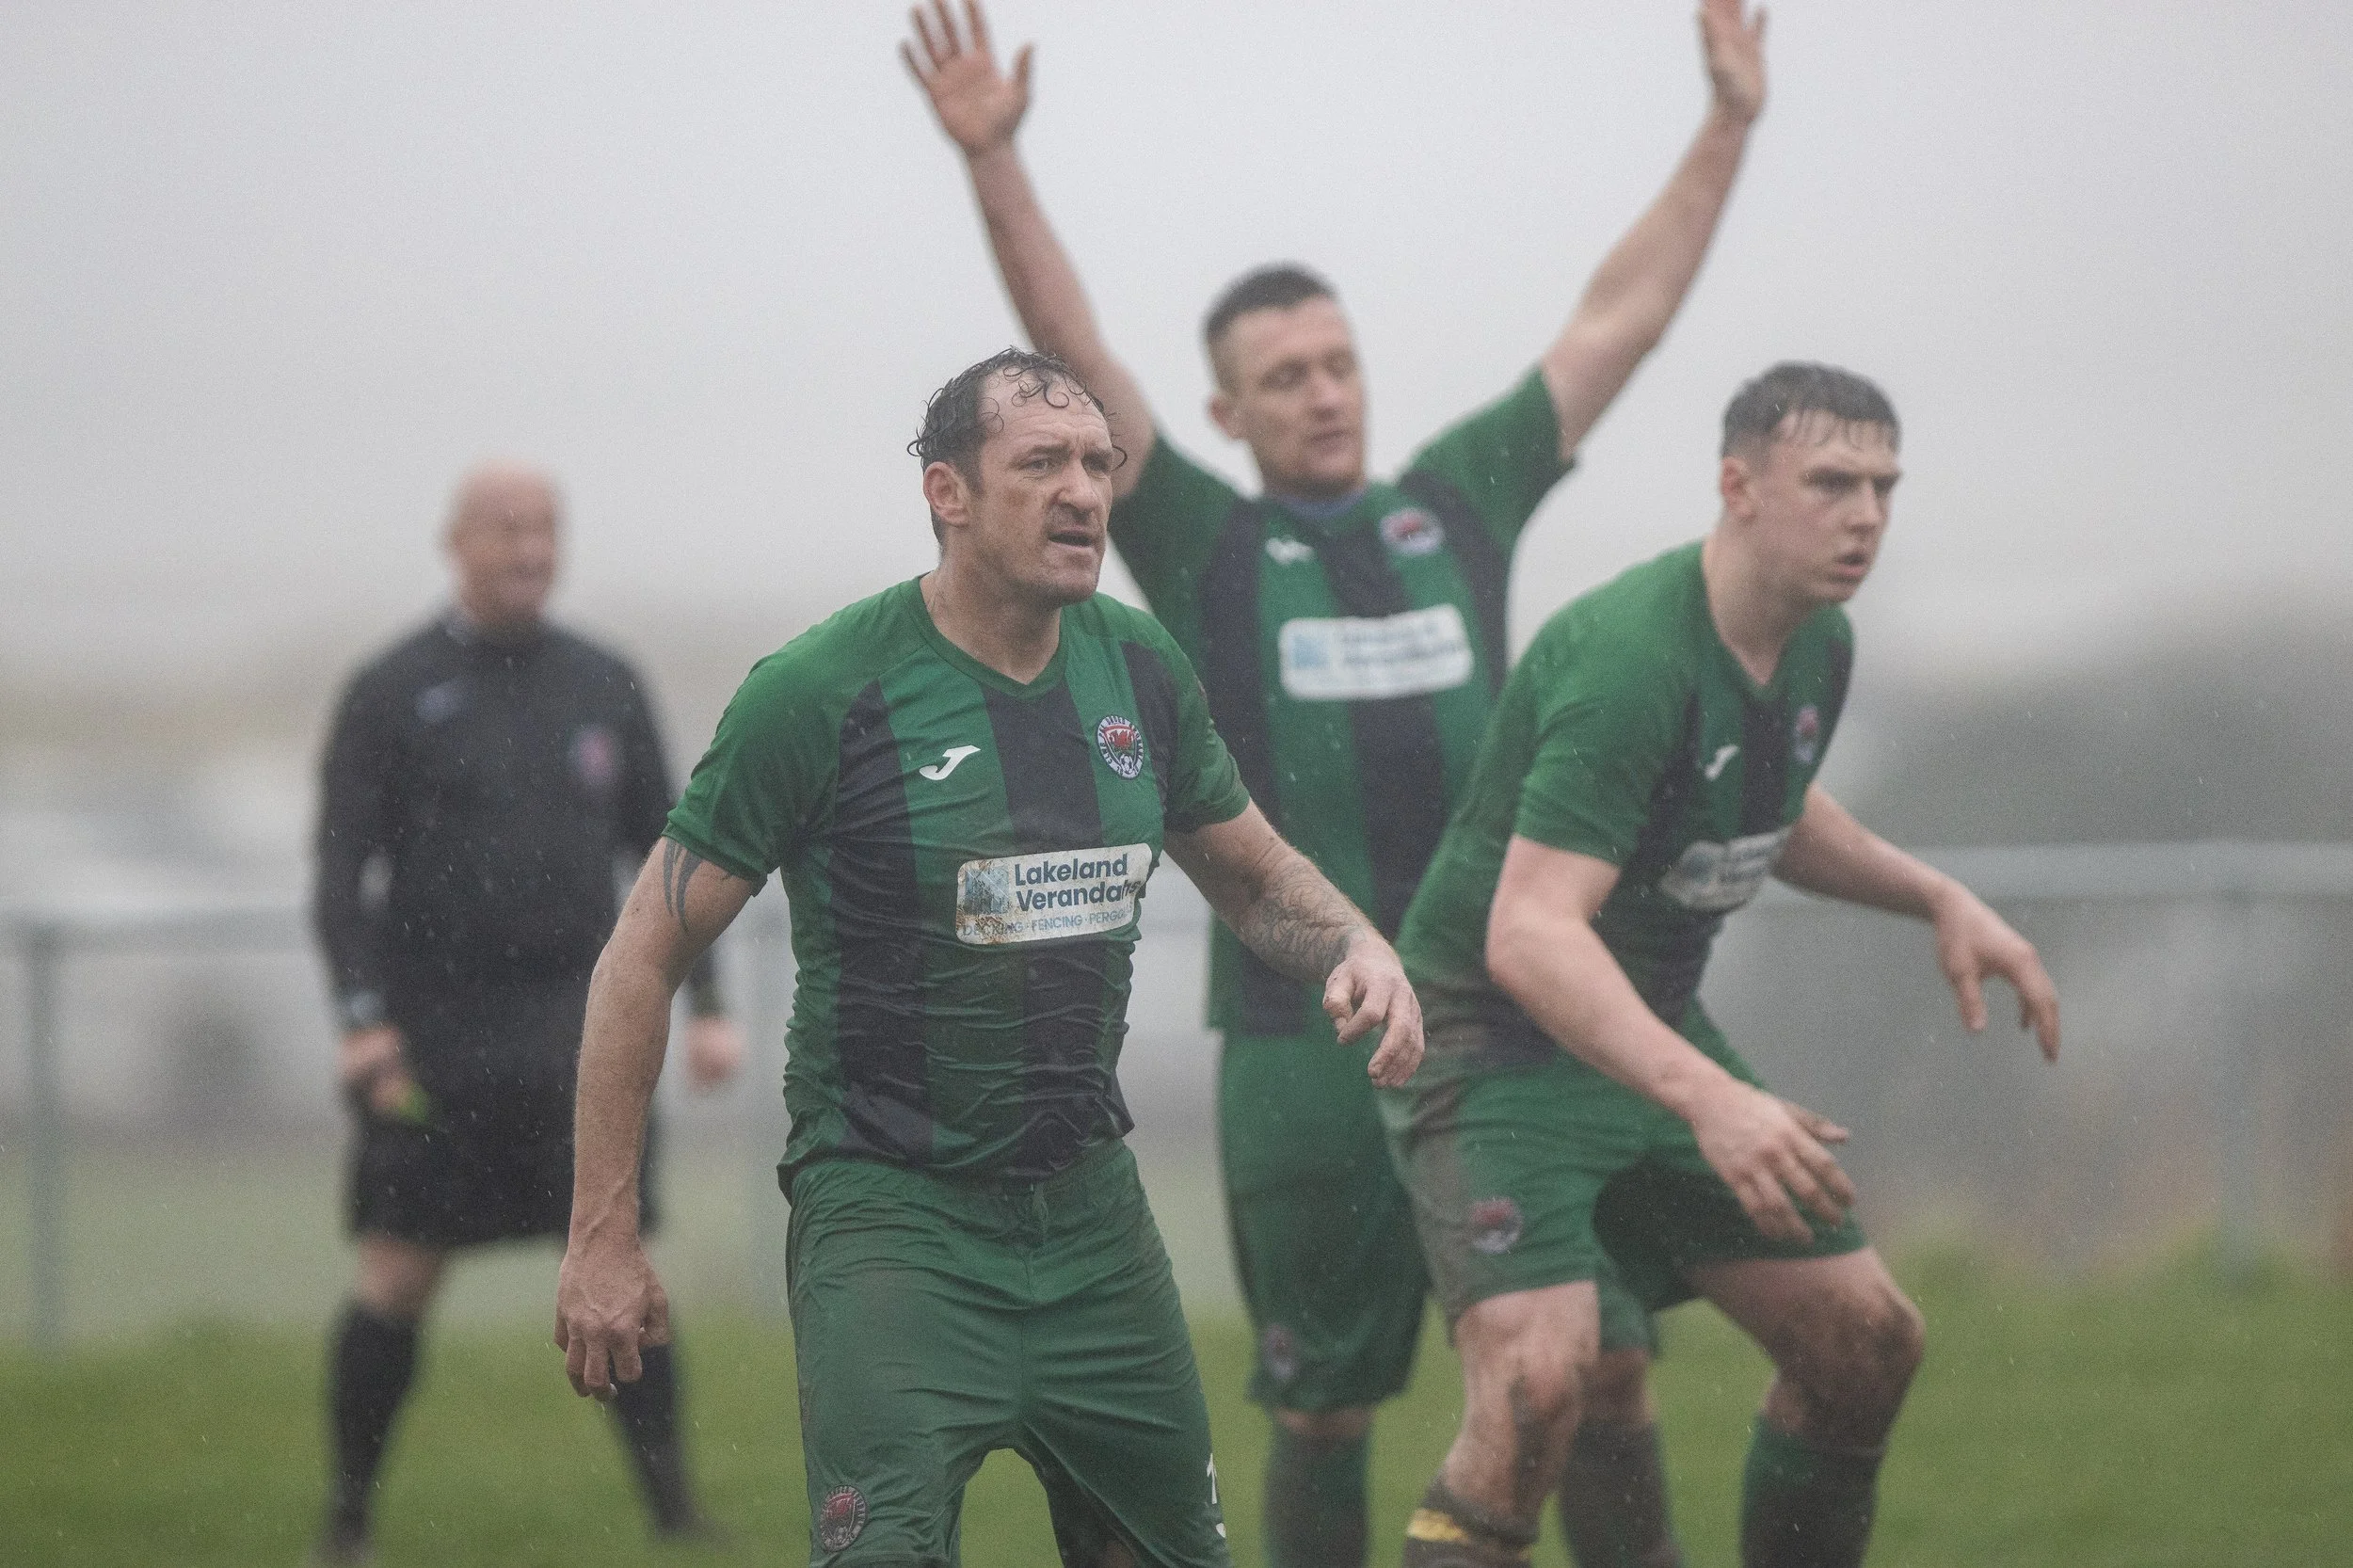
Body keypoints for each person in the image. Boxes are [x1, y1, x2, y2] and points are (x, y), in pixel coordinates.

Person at [904, 3, 1768, 1561]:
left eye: (1338, 362)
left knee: (1607, 1361)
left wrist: (1725, 126)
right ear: (1226, 412)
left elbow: (1615, 321)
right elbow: (1081, 352)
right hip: (1307, 1043)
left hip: (1508, 1024)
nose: (1322, 390)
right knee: (1321, 1406)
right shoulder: (1209, 546)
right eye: (1282, 375)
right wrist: (998, 164)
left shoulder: (1459, 503)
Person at [553, 349, 1425, 1568]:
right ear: (947, 492)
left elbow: (1253, 873)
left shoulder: (1137, 667)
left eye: (1098, 464)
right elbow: (640, 956)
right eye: (1041, 463)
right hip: (892, 1218)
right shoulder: (822, 690)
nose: (1083, 491)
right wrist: (601, 1232)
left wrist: (1355, 941)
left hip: (1089, 1214)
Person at [1380, 363, 2064, 1568]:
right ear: (1736, 488)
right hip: (1494, 1036)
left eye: (1883, 487)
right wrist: (1711, 1095)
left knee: (1866, 1342)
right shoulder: (1628, 656)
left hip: (1635, 1022)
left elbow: (1773, 807)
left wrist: (1937, 895)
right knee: (1543, 1381)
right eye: (1831, 482)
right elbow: (1529, 932)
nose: (1866, 515)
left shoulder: (1817, 642)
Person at [309, 464, 744, 1562]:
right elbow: (336, 871)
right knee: (397, 1272)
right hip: (432, 1038)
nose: (530, 549)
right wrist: (362, 1019)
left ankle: (677, 1517)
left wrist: (708, 1006)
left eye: (547, 528)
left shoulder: (603, 680)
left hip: (581, 1036)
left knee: (621, 1267)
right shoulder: (392, 687)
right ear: (454, 539)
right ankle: (349, 1517)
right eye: (506, 528)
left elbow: (674, 856)